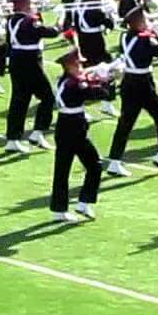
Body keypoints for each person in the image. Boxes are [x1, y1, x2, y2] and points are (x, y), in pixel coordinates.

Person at [105, 5, 158, 177]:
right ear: (137, 23)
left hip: (129, 82)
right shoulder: (145, 40)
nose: (148, 22)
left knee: (125, 123)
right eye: (145, 20)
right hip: (143, 84)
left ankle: (114, 161)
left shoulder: (124, 37)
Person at [49, 49, 114, 223]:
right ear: (69, 66)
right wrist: (106, 80)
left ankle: (59, 210)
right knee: (94, 165)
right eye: (78, 63)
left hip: (64, 126)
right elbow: (98, 94)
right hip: (74, 128)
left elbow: (86, 87)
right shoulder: (73, 84)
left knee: (62, 170)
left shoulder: (66, 81)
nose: (82, 66)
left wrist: (94, 79)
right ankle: (84, 202)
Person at [4, 0, 60, 153]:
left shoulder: (12, 20)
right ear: (23, 5)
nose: (33, 5)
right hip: (30, 62)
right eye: (30, 2)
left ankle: (13, 138)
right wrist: (60, 21)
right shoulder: (29, 21)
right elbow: (50, 32)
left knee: (19, 100)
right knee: (47, 98)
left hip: (17, 60)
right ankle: (37, 132)